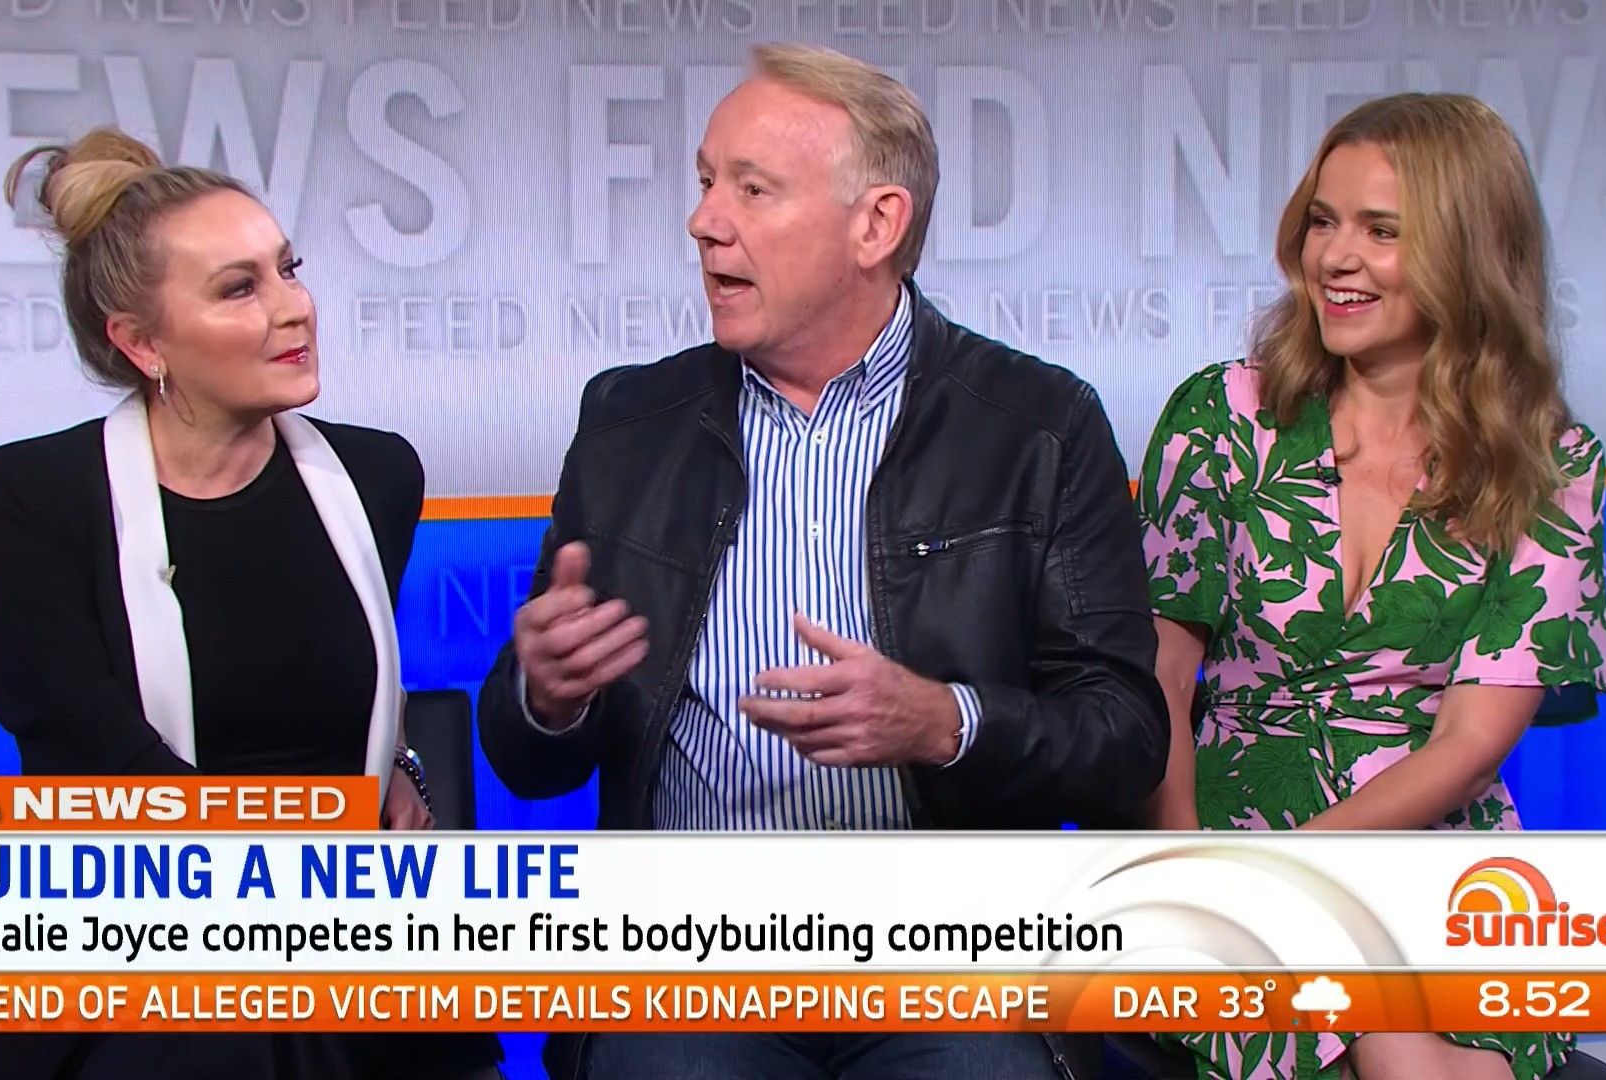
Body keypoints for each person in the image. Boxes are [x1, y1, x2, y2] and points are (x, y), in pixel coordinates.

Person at [476, 42, 1168, 1080]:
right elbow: (530, 767)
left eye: (752, 189)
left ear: (876, 225)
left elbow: (1123, 743)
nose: (704, 220)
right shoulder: (628, 423)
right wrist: (545, 695)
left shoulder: (1038, 425)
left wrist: (943, 722)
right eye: (706, 181)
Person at [0, 128, 502, 1080]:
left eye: (288, 269)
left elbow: (335, 703)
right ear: (141, 343)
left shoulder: (377, 475)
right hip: (138, 951)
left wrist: (397, 767)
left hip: (361, 951)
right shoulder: (29, 496)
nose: (294, 307)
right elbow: (95, 763)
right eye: (239, 288)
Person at [1137, 93, 1606, 1080]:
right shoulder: (1224, 416)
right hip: (1226, 831)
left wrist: (1298, 874)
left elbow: (1470, 743)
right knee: (1380, 1037)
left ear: (1468, 252)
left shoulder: (1549, 465)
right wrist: (1194, 879)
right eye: (1324, 221)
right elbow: (1159, 681)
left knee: (1411, 1046)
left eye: (1382, 231)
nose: (1335, 258)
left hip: (1432, 850)